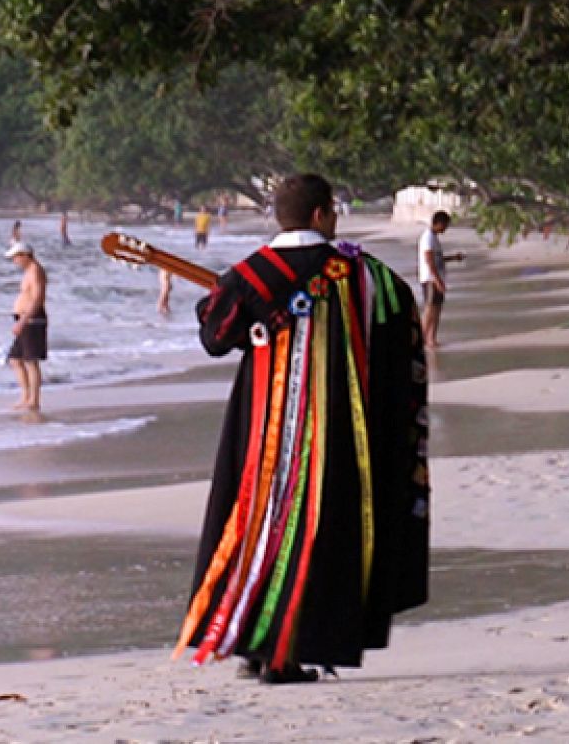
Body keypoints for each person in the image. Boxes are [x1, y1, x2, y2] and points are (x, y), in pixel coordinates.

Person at [181, 172, 429, 684]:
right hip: (336, 428)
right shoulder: (363, 274)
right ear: (321, 214)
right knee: (315, 530)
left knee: (256, 526)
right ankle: (285, 654)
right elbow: (401, 318)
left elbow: (214, 336)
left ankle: (257, 645)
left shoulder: (250, 273)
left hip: (260, 431)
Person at [5, 242, 48, 412]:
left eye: (16, 257)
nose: (15, 261)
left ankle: (34, 400)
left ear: (25, 255)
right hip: (24, 319)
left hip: (32, 320)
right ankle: (26, 396)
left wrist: (23, 321)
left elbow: (37, 298)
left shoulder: (36, 271)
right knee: (16, 360)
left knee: (31, 361)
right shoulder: (29, 271)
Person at [418, 210, 463, 349]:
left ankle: (431, 339)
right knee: (430, 309)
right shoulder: (427, 238)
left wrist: (453, 258)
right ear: (438, 223)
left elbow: (437, 258)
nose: (445, 229)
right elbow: (429, 260)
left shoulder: (434, 237)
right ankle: (422, 340)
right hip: (430, 279)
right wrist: (437, 280)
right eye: (445, 225)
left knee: (437, 309)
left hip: (436, 278)